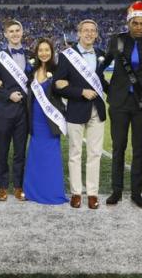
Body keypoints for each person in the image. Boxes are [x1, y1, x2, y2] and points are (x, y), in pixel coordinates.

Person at [102, 1, 142, 209]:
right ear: (128, 22)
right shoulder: (117, 40)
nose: (139, 27)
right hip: (119, 103)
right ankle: (116, 191)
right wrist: (110, 90)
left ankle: (136, 192)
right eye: (135, 23)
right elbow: (101, 67)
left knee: (139, 150)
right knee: (118, 148)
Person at [52, 20, 108, 209]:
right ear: (78, 33)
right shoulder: (67, 56)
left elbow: (102, 83)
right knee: (75, 153)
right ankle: (76, 192)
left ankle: (92, 193)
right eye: (86, 30)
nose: (89, 33)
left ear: (96, 34)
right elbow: (58, 84)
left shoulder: (101, 55)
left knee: (95, 153)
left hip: (97, 110)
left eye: (93, 30)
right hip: (76, 108)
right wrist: (80, 92)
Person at [0, 19, 32, 202]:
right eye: (11, 31)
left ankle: (18, 186)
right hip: (6, 110)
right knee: (3, 151)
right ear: (5, 34)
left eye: (17, 30)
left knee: (20, 151)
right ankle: (3, 187)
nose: (14, 34)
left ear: (22, 32)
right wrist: (7, 95)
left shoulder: (31, 55)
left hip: (24, 111)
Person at [22, 38, 68, 205]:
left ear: (52, 52)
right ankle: (32, 191)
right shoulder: (31, 70)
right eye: (40, 50)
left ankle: (52, 192)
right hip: (34, 117)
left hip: (51, 119)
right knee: (35, 154)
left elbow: (64, 91)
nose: (43, 53)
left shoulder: (58, 70)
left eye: (47, 50)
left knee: (51, 155)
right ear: (36, 52)